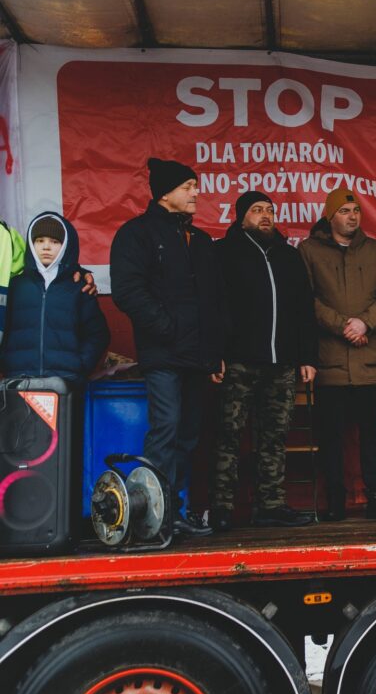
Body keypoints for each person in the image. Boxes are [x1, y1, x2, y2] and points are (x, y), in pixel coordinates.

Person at [111, 158, 226, 537]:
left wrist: (213, 352)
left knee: (188, 434)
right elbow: (129, 291)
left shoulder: (201, 240)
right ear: (165, 192)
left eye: (196, 186)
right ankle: (154, 516)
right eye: (188, 187)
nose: (197, 193)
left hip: (196, 357)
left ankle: (172, 511)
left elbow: (212, 301)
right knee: (166, 428)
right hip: (163, 354)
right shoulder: (137, 233)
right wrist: (168, 328)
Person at [210, 191, 318, 532]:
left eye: (270, 210)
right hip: (239, 362)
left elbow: (304, 309)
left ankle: (269, 505)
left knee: (274, 435)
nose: (265, 216)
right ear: (241, 218)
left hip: (282, 363)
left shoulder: (288, 256)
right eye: (257, 210)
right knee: (228, 434)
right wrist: (217, 354)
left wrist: (307, 357)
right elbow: (213, 308)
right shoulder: (224, 253)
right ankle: (222, 507)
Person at [299, 187, 376, 521]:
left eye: (356, 210)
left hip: (369, 361)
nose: (352, 216)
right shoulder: (309, 250)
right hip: (330, 361)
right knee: (331, 437)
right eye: (345, 211)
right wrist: (342, 324)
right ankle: (335, 502)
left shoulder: (375, 251)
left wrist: (365, 323)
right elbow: (305, 299)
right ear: (331, 216)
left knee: (373, 435)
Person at [1, 212, 109, 382]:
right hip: (19, 378)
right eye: (40, 240)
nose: (46, 247)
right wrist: (7, 362)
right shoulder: (16, 286)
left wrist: (79, 365)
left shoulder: (79, 286)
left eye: (54, 241)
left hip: (66, 381)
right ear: (31, 243)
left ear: (66, 245)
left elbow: (98, 333)